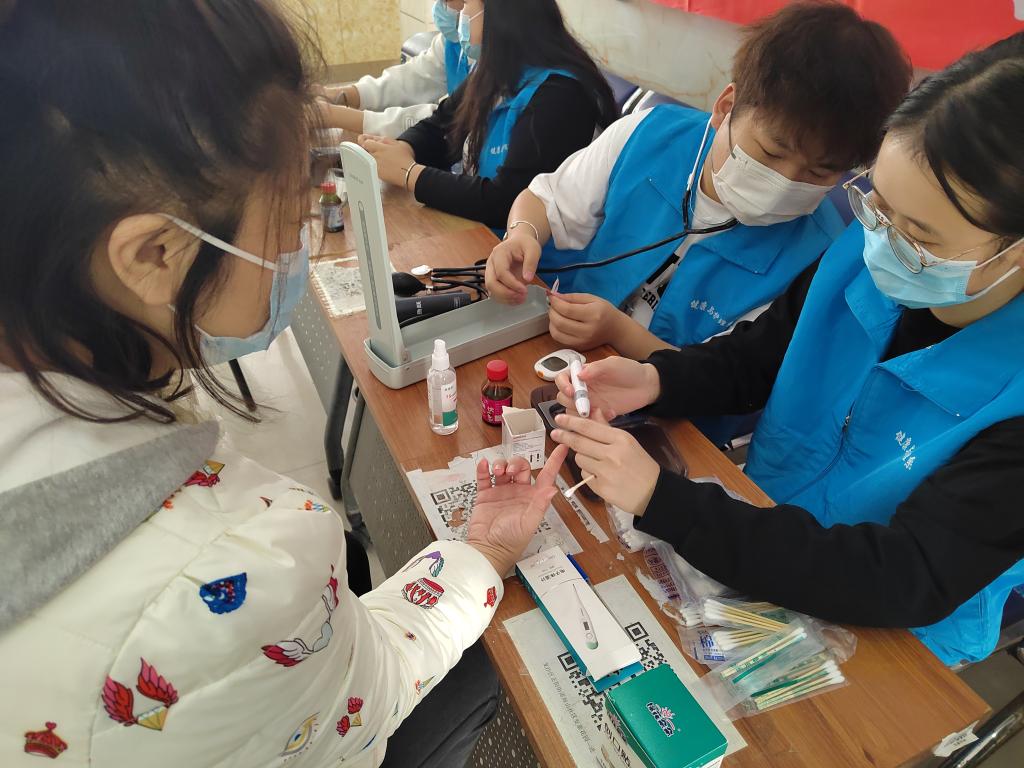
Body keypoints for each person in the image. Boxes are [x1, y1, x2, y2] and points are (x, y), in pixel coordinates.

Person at [0, 3, 568, 767]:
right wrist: (483, 553)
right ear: (155, 255)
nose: (297, 246)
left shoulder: (559, 95)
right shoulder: (238, 570)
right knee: (478, 669)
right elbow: (373, 686)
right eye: (291, 216)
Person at [548, 31, 1024, 667]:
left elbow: (909, 574)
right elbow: (759, 356)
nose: (880, 240)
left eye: (919, 234)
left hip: (890, 639)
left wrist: (665, 501)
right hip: (762, 523)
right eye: (877, 203)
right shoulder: (864, 255)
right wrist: (657, 379)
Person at [486, 2, 911, 359]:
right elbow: (545, 200)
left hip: (670, 415)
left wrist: (619, 334)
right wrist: (521, 235)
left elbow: (731, 377)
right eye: (771, 152)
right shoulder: (650, 134)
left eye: (819, 172)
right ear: (726, 107)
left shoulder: (820, 255)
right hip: (555, 353)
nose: (784, 182)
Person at [357, 0, 618, 230]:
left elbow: (506, 201)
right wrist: (403, 149)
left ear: (500, 13)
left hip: (541, 262)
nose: (461, 15)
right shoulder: (495, 72)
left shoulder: (562, 96)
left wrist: (410, 174)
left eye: (467, 4)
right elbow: (441, 125)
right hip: (483, 235)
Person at [315, 1, 471, 138]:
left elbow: (445, 120)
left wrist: (335, 116)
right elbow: (412, 79)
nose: (440, 7)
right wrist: (345, 95)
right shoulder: (453, 42)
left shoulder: (484, 65)